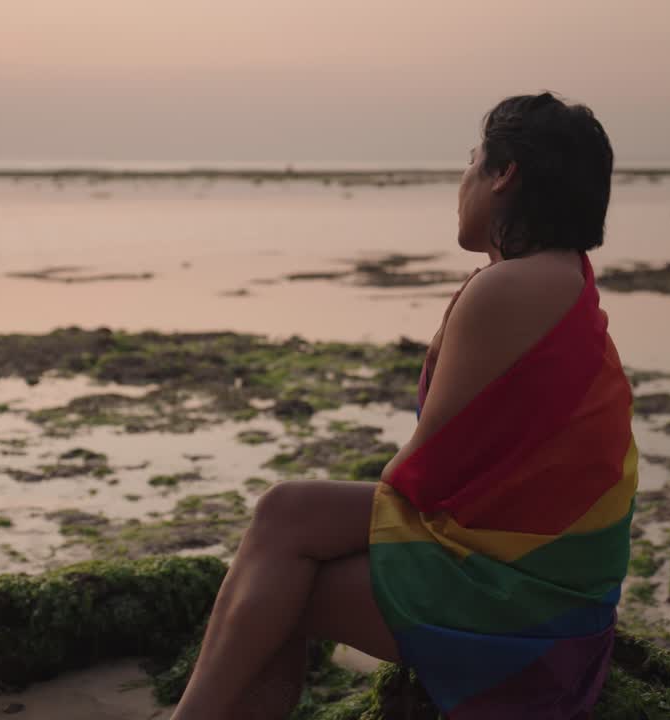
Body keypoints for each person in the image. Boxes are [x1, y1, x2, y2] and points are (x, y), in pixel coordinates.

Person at [171, 92, 637, 719]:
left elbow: (425, 475)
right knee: (286, 531)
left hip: (529, 612)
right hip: (554, 595)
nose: (463, 180)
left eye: (472, 162)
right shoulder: (566, 275)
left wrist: (336, 531)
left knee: (284, 568)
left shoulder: (507, 286)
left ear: (505, 174)